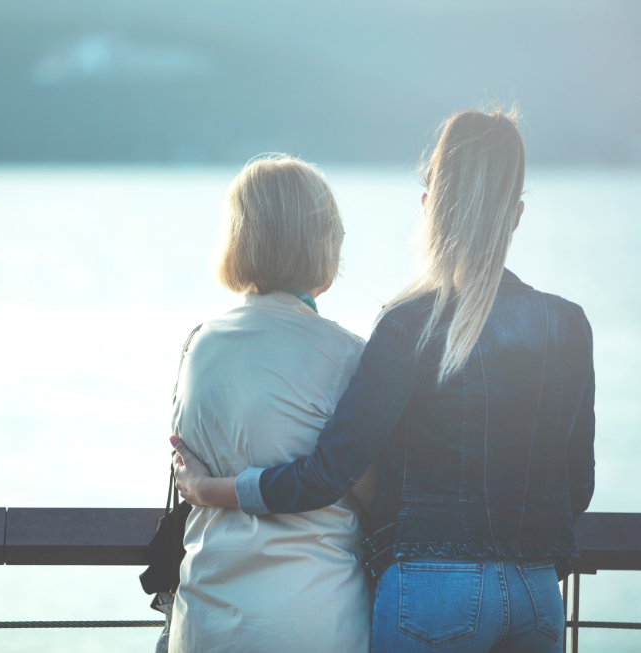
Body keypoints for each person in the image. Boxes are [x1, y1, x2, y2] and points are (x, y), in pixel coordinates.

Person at [171, 108, 595, 653]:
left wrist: (210, 490)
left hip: (429, 596)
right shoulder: (567, 325)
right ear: (515, 215)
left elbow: (330, 473)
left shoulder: (406, 325)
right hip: (536, 594)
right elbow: (576, 488)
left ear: (429, 208)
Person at [167, 154, 373, 653]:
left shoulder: (199, 346)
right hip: (313, 618)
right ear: (322, 241)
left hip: (204, 619)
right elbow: (372, 492)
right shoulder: (347, 356)